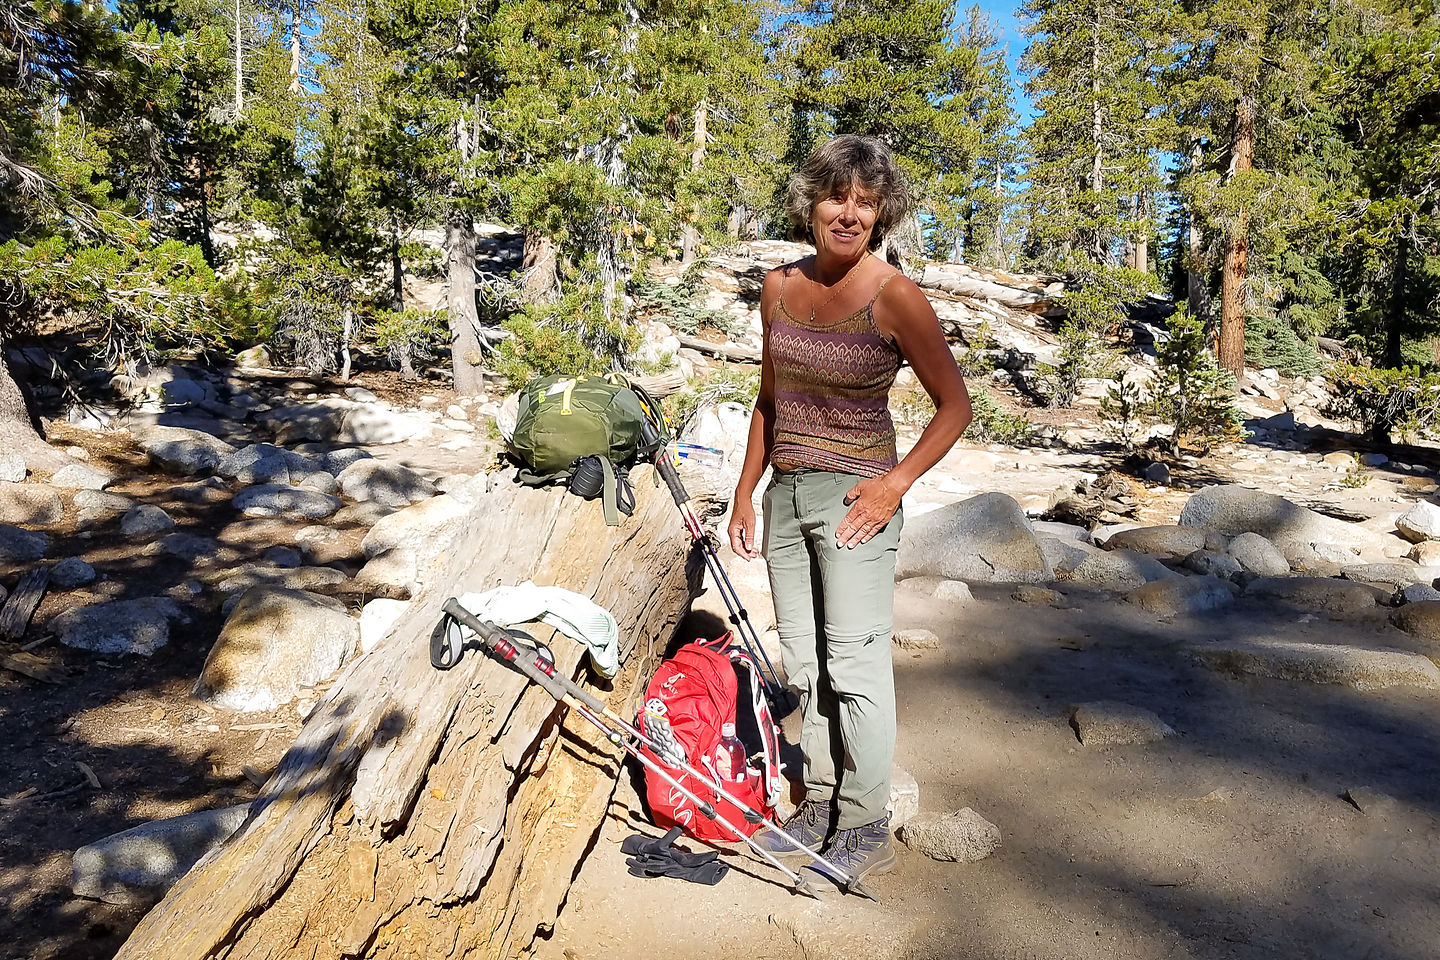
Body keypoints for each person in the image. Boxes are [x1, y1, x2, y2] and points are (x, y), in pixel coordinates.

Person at [727, 135, 973, 882]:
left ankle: (864, 824)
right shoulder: (777, 287)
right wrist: (746, 490)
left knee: (857, 664)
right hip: (788, 495)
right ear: (812, 202)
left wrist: (895, 484)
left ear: (881, 214)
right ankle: (821, 800)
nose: (850, 214)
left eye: (866, 203)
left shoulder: (894, 295)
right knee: (804, 663)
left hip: (858, 501)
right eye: (838, 197)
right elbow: (771, 398)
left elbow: (955, 406)